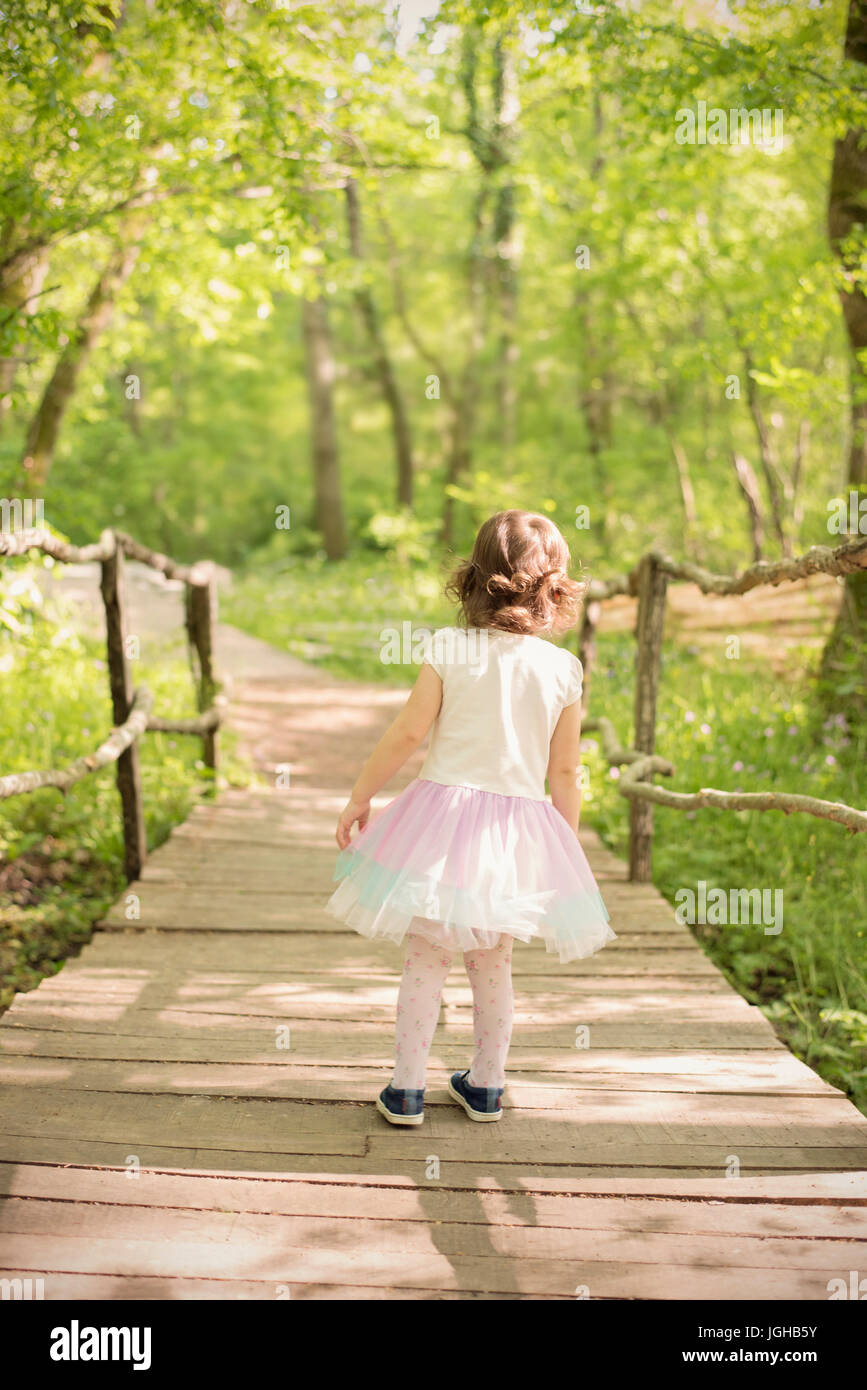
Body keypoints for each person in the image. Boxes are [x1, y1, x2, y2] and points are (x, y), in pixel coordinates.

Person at [326, 509, 614, 1126]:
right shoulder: (562, 670)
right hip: (514, 835)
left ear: (474, 578)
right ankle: (485, 1086)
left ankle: (405, 1091)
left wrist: (360, 795)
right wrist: (562, 843)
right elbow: (564, 773)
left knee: (427, 956)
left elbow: (407, 735)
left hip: (437, 823)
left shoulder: (448, 648)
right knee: (493, 960)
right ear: (553, 587)